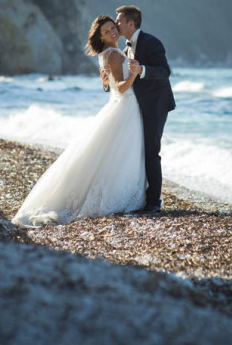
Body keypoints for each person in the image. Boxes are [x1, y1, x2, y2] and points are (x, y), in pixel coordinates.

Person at [12, 15, 146, 227]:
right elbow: (120, 87)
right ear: (101, 37)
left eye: (113, 27)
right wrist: (135, 74)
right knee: (120, 153)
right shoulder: (113, 54)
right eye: (106, 31)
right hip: (124, 106)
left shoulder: (108, 54)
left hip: (121, 106)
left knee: (114, 153)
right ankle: (115, 196)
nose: (112, 31)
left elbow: (108, 86)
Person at [112, 5, 176, 212]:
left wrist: (142, 70)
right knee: (138, 150)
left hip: (156, 105)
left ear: (131, 23)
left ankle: (154, 202)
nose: (116, 23)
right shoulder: (124, 48)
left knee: (151, 151)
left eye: (119, 20)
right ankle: (139, 196)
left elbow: (165, 71)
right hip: (136, 106)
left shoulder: (151, 42)